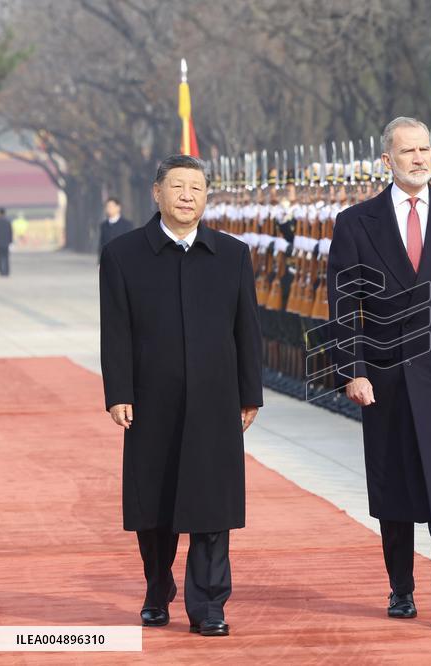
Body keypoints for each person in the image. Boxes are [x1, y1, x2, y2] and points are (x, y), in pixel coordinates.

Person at [327, 116, 431, 627]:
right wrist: (352, 371)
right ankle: (401, 590)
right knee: (395, 487)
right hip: (385, 375)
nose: (420, 158)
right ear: (387, 161)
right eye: (408, 152)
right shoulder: (357, 223)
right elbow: (343, 305)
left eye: (425, 149)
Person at [99, 154, 263, 637]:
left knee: (213, 505)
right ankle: (156, 587)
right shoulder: (123, 254)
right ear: (157, 193)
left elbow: (246, 332)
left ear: (206, 197)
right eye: (177, 187)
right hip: (151, 401)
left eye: (196, 188)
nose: (187, 196)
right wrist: (118, 392)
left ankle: (210, 606)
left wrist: (249, 393)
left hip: (216, 401)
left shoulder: (232, 255)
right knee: (155, 507)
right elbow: (116, 332)